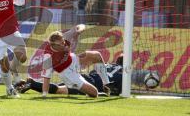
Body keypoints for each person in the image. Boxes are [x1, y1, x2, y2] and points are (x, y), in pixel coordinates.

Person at [14, 54, 160, 96]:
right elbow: (143, 76)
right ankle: (32, 83)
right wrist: (149, 81)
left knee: (60, 87)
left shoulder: (108, 65)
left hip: (88, 78)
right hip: (92, 84)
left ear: (117, 61)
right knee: (60, 90)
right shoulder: (127, 74)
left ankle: (31, 83)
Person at [39, 24, 111, 98]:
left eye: (63, 42)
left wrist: (78, 32)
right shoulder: (48, 56)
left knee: (97, 55)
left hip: (73, 59)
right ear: (53, 45)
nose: (64, 44)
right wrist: (45, 94)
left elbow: (81, 25)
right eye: (61, 44)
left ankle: (107, 85)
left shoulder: (65, 37)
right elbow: (46, 77)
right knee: (94, 93)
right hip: (67, 73)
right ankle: (91, 92)